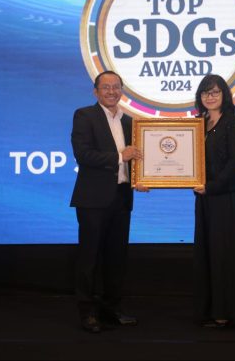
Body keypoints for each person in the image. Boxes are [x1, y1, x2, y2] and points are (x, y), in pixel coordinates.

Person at [70, 70, 143, 333]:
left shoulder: (130, 122)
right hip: (93, 200)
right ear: (96, 91)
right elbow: (83, 154)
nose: (111, 91)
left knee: (116, 258)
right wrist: (120, 156)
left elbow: (137, 158)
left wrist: (141, 178)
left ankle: (112, 308)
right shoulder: (84, 116)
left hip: (121, 197)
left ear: (122, 90)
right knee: (90, 257)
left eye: (116, 87)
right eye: (106, 87)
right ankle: (87, 312)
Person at [192, 74, 235, 328]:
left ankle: (225, 311)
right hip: (205, 197)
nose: (210, 97)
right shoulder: (199, 123)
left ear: (224, 94)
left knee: (223, 255)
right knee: (207, 253)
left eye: (215, 92)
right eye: (205, 93)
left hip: (226, 198)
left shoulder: (232, 122)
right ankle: (209, 308)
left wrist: (211, 187)